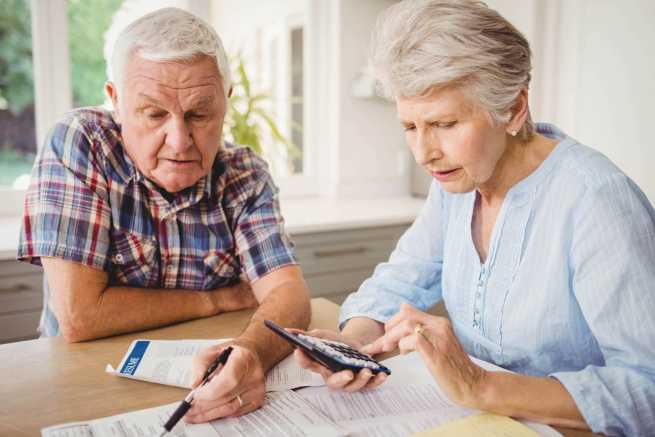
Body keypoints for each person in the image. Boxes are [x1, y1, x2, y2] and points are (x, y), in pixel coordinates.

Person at [293, 1, 655, 435]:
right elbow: (399, 279)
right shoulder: (457, 185)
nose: (424, 152)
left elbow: (646, 387)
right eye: (410, 126)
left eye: (444, 123)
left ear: (514, 109)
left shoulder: (596, 200)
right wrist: (354, 342)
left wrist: (479, 385)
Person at [18, 7, 310, 420]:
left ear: (226, 102)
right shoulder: (81, 144)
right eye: (155, 114)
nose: (179, 141)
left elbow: (290, 296)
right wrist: (216, 300)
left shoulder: (245, 174)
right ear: (116, 102)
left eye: (199, 114)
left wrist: (250, 353)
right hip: (83, 385)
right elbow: (81, 317)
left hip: (203, 388)